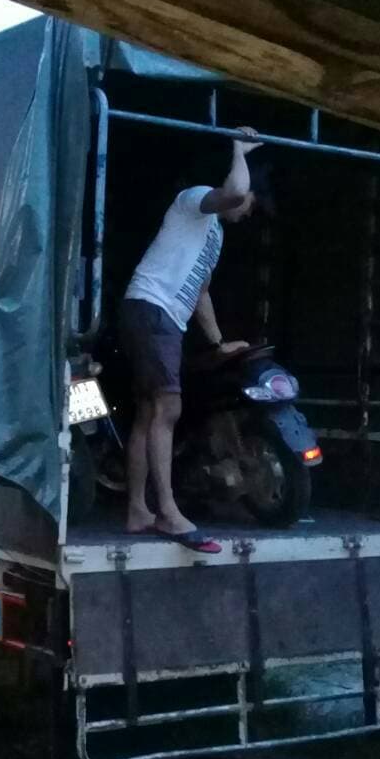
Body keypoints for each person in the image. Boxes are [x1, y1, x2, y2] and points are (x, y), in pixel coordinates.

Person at [120, 132, 262, 552]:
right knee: (168, 408)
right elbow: (234, 192)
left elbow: (200, 292)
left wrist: (218, 343)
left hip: (161, 316)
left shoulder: (214, 235)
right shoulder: (193, 201)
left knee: (149, 412)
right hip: (152, 309)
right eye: (252, 203)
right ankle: (167, 512)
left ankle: (138, 510)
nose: (248, 210)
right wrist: (238, 149)